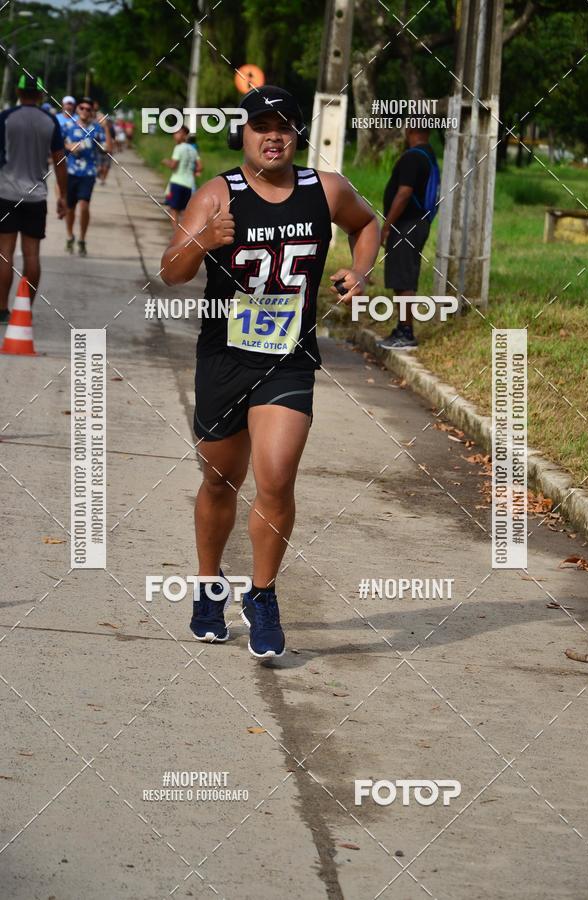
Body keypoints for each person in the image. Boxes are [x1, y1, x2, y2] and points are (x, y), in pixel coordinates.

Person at [160, 86, 379, 658]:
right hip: (224, 359)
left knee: (276, 477)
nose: (273, 135)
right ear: (245, 133)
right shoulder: (217, 194)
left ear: (297, 133)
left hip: (289, 358)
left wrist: (359, 271)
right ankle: (209, 588)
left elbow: (369, 224)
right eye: (262, 126)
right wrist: (204, 240)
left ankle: (262, 595)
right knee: (218, 480)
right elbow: (171, 273)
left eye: (284, 125)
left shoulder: (323, 189)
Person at [0, 73, 67, 324]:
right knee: (31, 255)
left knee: (4, 253)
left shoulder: (6, 118)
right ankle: (24, 310)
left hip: (5, 193)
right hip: (35, 196)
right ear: (40, 94)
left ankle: (1, 309)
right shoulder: (50, 121)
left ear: (18, 93)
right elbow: (60, 161)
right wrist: (64, 196)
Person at [378, 124, 439, 350]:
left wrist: (387, 225)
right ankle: (402, 328)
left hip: (407, 224)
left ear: (409, 130)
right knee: (402, 276)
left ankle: (406, 332)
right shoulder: (429, 155)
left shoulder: (413, 158)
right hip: (417, 223)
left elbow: (404, 194)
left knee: (403, 278)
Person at [61, 96, 112, 256]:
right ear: (77, 109)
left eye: (88, 109)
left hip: (88, 173)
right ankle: (70, 236)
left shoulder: (96, 129)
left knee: (84, 206)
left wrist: (107, 128)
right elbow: (57, 144)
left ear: (92, 111)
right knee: (70, 208)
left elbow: (108, 149)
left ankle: (82, 239)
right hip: (70, 172)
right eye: (81, 108)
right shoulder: (68, 125)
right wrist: (69, 146)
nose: (84, 111)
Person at [162, 125, 200, 230]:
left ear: (184, 135)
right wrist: (193, 171)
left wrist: (166, 162)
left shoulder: (178, 148)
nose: (175, 135)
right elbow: (200, 167)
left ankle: (176, 235)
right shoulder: (193, 150)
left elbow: (173, 165)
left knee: (173, 210)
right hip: (189, 184)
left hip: (177, 183)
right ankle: (184, 234)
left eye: (177, 133)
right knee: (184, 212)